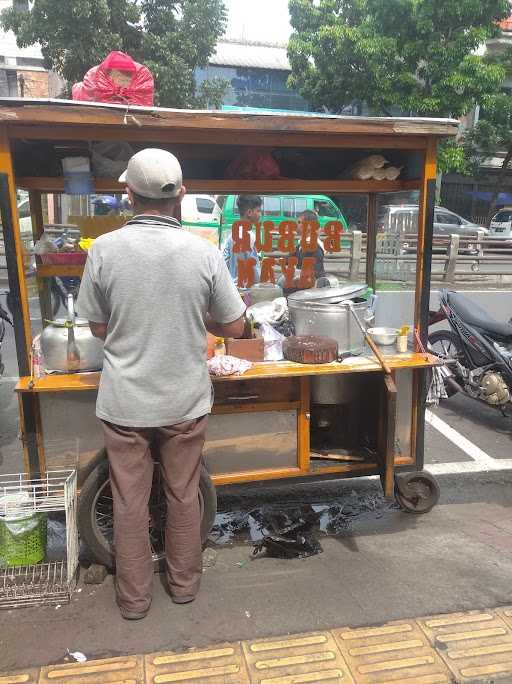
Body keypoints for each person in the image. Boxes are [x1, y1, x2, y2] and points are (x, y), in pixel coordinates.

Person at [77, 148, 246, 620]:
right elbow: (235, 327)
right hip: (184, 401)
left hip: (125, 402)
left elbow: (95, 326)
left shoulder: (105, 251)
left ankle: (133, 602)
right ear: (182, 195)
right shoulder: (203, 252)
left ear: (126, 193)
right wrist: (195, 317)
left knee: (130, 502)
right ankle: (184, 587)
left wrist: (134, 328)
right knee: (182, 493)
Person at [222, 195, 262, 285]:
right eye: (258, 211)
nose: (260, 214)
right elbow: (254, 272)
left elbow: (225, 261)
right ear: (249, 212)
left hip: (231, 286)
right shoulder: (249, 236)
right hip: (245, 288)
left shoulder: (232, 235)